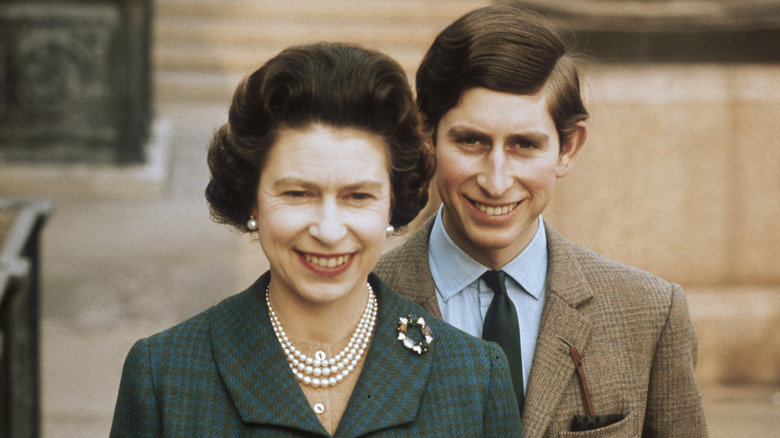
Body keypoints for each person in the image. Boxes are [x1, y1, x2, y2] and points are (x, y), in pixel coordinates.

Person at [109, 42, 522, 437]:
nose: (328, 231)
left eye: (358, 196)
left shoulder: (473, 377)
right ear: (252, 200)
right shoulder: (165, 375)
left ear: (394, 203)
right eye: (297, 194)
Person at [375, 6, 707, 437]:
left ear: (568, 148)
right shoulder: (359, 307)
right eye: (471, 140)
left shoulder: (649, 314)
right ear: (427, 136)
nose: (495, 181)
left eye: (524, 144)